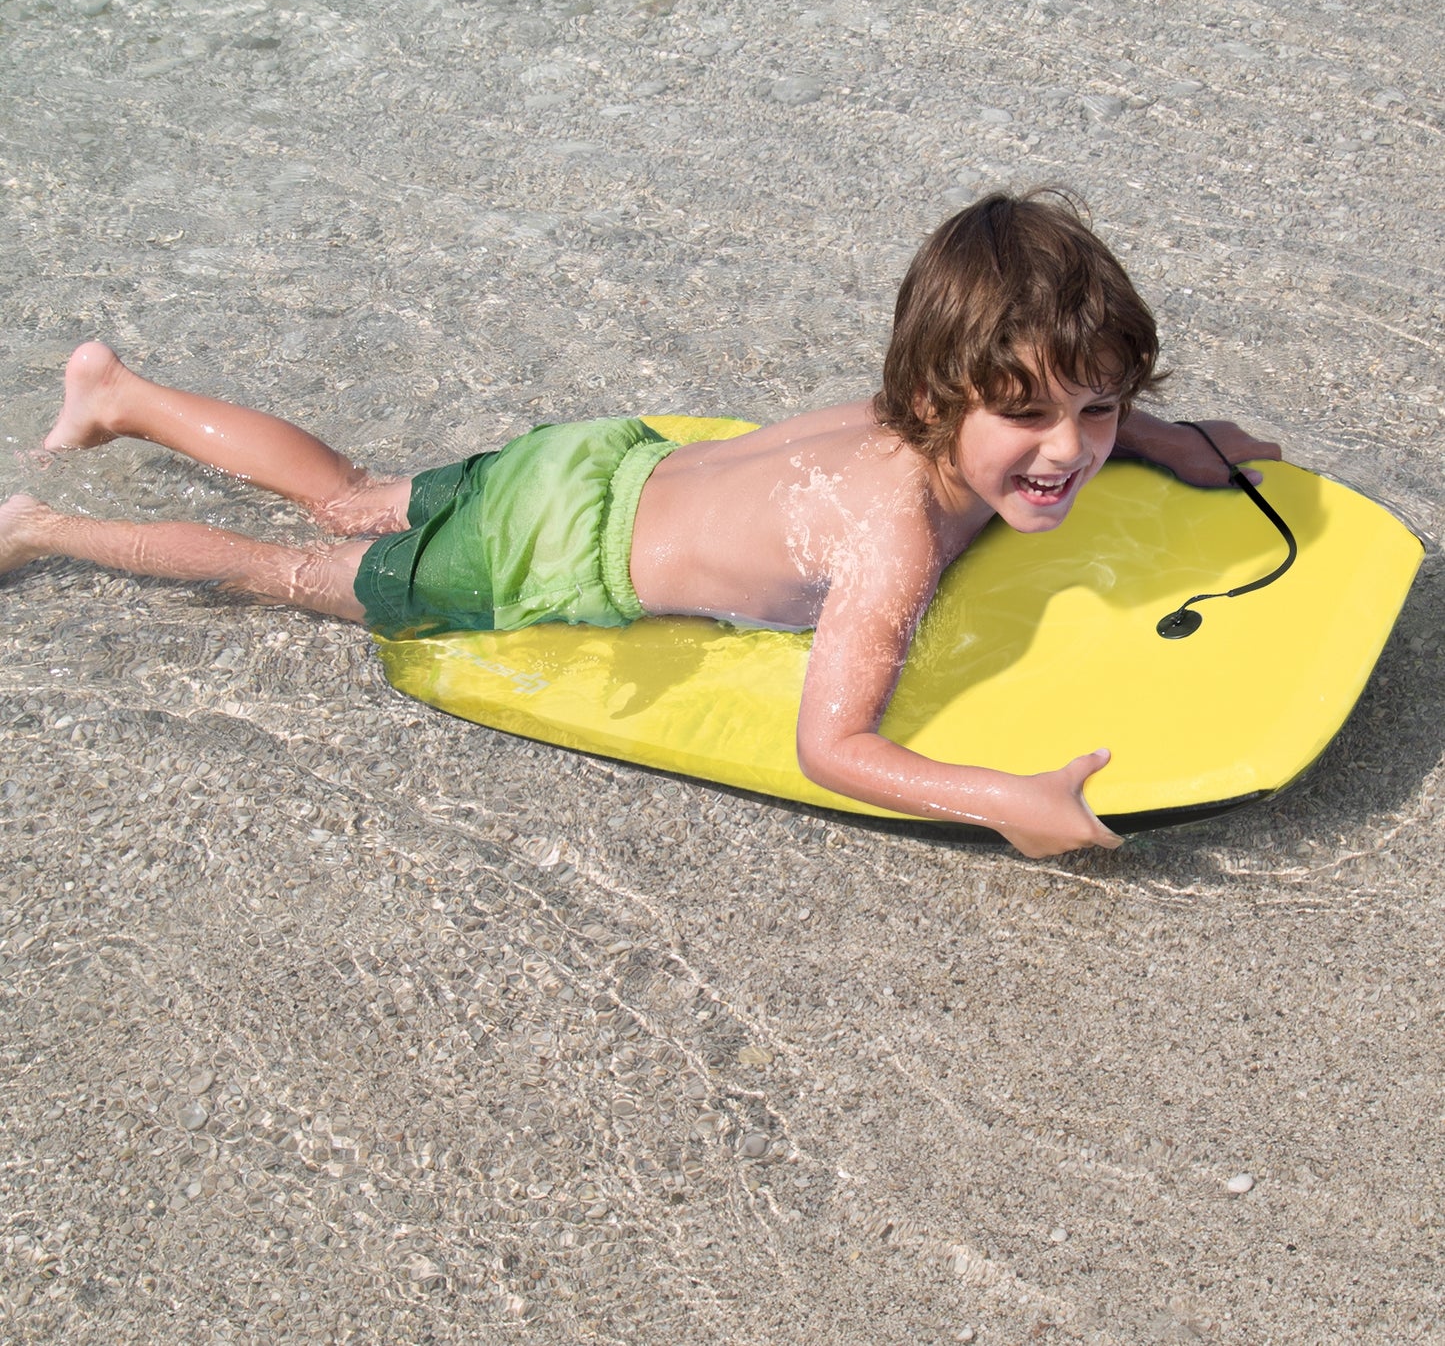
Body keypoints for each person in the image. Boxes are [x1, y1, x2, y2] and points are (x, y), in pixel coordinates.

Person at [0, 189, 1278, 857]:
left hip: (598, 463)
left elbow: (1062, 433)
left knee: (350, 488)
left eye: (1101, 410)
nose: (1068, 450)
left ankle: (118, 393)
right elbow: (833, 743)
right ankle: (44, 523)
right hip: (547, 549)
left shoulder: (913, 416)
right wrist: (997, 792)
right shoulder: (890, 535)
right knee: (296, 565)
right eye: (1032, 417)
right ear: (947, 394)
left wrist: (1168, 441)